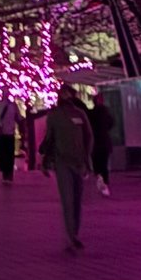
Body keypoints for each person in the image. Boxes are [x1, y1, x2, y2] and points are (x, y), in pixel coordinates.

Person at [43, 85, 94, 250]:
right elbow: (50, 139)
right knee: (71, 200)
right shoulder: (65, 115)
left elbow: (88, 136)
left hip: (73, 161)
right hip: (65, 162)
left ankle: (73, 234)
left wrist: (86, 158)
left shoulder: (76, 114)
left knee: (73, 200)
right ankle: (72, 236)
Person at [0, 89, 20, 184]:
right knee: (9, 154)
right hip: (9, 133)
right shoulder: (13, 105)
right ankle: (9, 175)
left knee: (1, 153)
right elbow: (18, 118)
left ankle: (4, 173)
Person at [89, 97, 115, 197]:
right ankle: (105, 182)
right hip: (104, 142)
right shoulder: (106, 113)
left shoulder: (91, 114)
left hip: (95, 143)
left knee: (97, 163)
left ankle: (99, 177)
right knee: (104, 164)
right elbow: (111, 124)